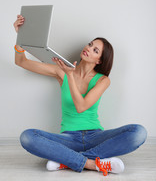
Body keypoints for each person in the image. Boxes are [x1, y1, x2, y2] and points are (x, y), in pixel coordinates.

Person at [13, 14, 147, 176]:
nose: (88, 48)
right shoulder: (61, 71)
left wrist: (70, 76)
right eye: (90, 44)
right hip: (68, 139)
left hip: (96, 136)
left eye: (95, 50)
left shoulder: (103, 80)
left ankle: (67, 160)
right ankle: (92, 163)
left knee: (138, 132)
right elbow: (22, 62)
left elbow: (81, 106)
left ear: (99, 60)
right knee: (27, 137)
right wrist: (21, 37)